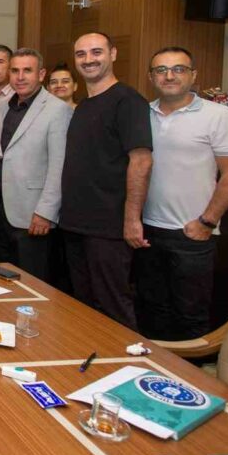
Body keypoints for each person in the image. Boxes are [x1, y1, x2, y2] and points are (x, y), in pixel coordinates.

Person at [137, 47, 228, 340]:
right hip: (147, 232)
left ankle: (190, 369)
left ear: (193, 75)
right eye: (161, 70)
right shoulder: (142, 114)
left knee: (190, 316)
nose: (169, 76)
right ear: (150, 77)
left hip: (191, 234)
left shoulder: (219, 116)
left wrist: (207, 222)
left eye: (178, 69)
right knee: (151, 312)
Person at [60, 32, 152, 330]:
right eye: (81, 54)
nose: (88, 59)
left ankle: (126, 358)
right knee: (84, 308)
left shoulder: (128, 101)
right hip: (76, 223)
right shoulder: (84, 106)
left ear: (113, 54)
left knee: (113, 307)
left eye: (96, 52)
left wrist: (132, 219)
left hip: (108, 226)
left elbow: (141, 160)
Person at [0, 49, 72, 280]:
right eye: (15, 71)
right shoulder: (2, 107)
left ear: (41, 74)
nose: (20, 77)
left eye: (27, 71)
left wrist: (46, 212)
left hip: (32, 213)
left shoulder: (57, 110)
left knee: (32, 282)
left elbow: (59, 166)